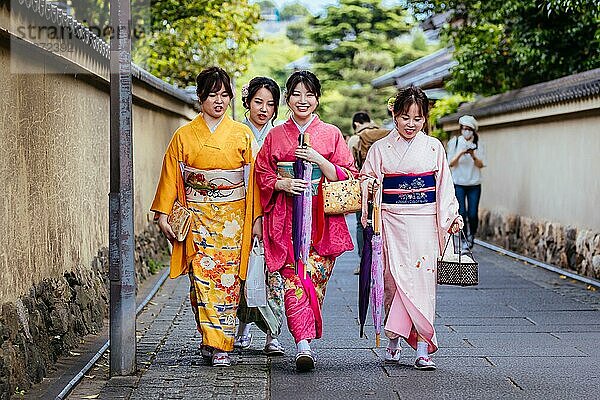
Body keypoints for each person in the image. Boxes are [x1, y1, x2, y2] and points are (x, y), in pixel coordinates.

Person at [151, 66, 261, 367]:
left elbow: (254, 181)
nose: (219, 101)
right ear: (201, 97)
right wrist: (163, 214)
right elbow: (171, 175)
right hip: (197, 218)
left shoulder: (242, 134)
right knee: (201, 279)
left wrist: (256, 220)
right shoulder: (184, 135)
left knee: (226, 280)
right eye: (213, 94)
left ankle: (221, 344)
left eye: (225, 95)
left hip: (234, 219)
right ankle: (211, 339)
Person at [254, 70, 357, 372]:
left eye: (309, 95)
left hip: (321, 221)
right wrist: (282, 184)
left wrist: (319, 160)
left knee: (313, 280)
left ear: (317, 99)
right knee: (292, 280)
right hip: (284, 220)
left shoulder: (332, 134)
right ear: (287, 98)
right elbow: (261, 173)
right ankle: (303, 344)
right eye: (296, 94)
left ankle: (304, 336)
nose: (303, 100)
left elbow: (349, 174)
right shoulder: (275, 135)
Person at [360, 86, 463, 370]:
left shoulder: (433, 147)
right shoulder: (380, 148)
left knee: (421, 282)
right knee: (392, 281)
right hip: (391, 219)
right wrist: (370, 186)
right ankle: (394, 339)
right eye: (405, 117)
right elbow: (366, 178)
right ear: (394, 115)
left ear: (425, 119)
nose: (411, 124)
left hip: (424, 220)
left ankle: (421, 348)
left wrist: (451, 215)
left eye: (418, 119)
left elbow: (444, 187)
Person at [234, 76, 286, 356]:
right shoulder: (236, 134)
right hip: (239, 211)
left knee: (273, 275)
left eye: (270, 104)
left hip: (274, 212)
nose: (264, 109)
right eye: (258, 102)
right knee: (244, 272)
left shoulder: (278, 137)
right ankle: (242, 326)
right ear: (247, 102)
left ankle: (272, 333)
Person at [350, 111, 390, 273]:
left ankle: (364, 262)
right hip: (384, 185)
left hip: (363, 186)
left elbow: (350, 166)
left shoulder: (355, 139)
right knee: (382, 223)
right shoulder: (385, 135)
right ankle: (382, 261)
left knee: (362, 223)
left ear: (357, 124)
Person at [446, 115, 486, 250]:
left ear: (473, 130)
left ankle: (471, 236)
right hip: (458, 184)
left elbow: (481, 165)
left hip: (474, 184)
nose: (466, 131)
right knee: (461, 212)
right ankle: (463, 239)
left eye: (469, 129)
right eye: (463, 128)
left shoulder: (479, 144)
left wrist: (473, 155)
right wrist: (461, 152)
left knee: (473, 214)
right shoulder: (455, 142)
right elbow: (450, 163)